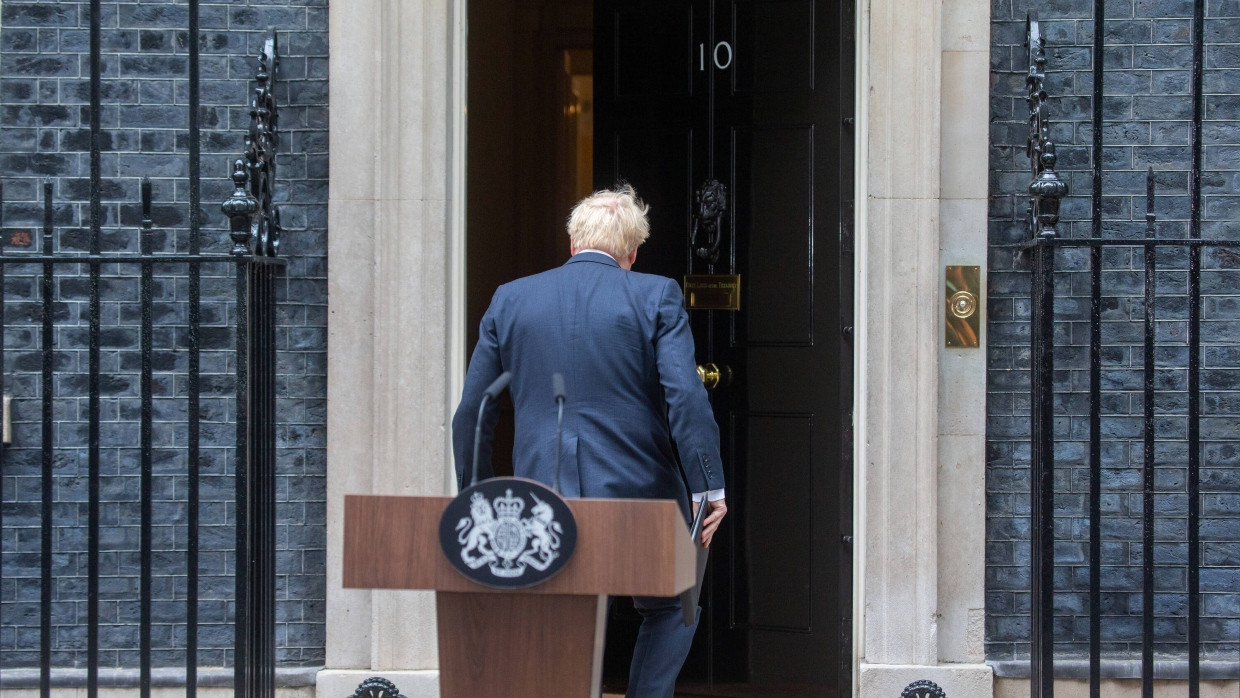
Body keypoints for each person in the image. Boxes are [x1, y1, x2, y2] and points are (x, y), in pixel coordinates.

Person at [452, 185, 728, 697]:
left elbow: (473, 410)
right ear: (632, 252)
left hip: (542, 497)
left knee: (556, 614)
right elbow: (686, 397)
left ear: (573, 243)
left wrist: (479, 496)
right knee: (674, 602)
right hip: (639, 495)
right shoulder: (656, 294)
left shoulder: (512, 298)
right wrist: (707, 487)